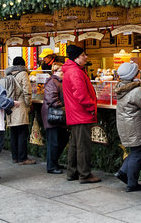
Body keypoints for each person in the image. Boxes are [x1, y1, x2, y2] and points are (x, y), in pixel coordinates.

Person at [62, 45, 101, 184]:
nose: (86, 57)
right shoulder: (75, 72)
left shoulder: (72, 70)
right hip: (81, 114)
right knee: (83, 146)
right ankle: (84, 174)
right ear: (76, 57)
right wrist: (91, 107)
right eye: (83, 55)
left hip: (74, 114)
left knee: (74, 145)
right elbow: (81, 94)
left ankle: (72, 172)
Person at [114, 62, 141, 192]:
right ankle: (132, 183)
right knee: (138, 153)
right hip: (136, 126)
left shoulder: (122, 87)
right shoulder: (136, 91)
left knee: (135, 152)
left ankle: (123, 172)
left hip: (126, 125)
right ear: (133, 75)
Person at [4, 57, 36, 165]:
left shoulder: (8, 74)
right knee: (22, 132)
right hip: (20, 105)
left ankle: (15, 157)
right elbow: (27, 90)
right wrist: (28, 103)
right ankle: (23, 158)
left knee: (14, 133)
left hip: (11, 105)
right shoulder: (23, 74)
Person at [41, 62, 68, 174]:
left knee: (62, 139)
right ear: (55, 71)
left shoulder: (60, 82)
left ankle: (55, 162)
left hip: (58, 116)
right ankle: (51, 166)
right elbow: (51, 99)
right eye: (60, 71)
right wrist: (63, 106)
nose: (62, 73)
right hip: (53, 115)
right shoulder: (53, 82)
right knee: (54, 142)